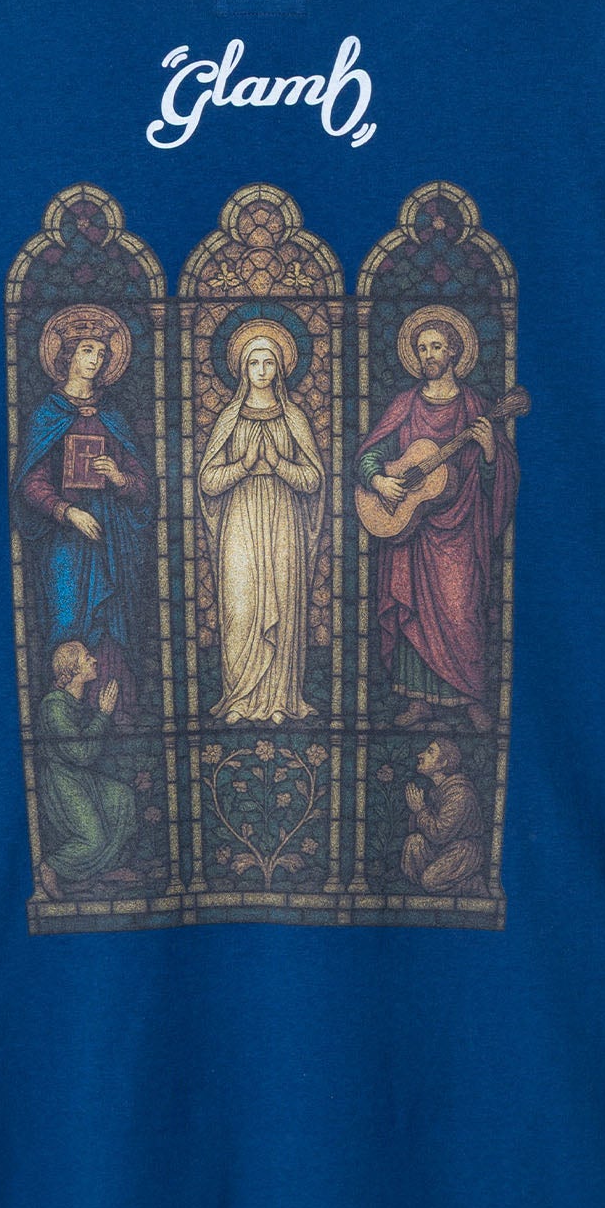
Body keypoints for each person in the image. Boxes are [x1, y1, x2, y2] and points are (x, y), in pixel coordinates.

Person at [357, 306, 519, 734]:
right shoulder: (406, 404)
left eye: (436, 347)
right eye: (422, 348)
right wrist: (380, 481)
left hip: (462, 528)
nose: (429, 354)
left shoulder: (476, 406)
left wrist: (489, 451)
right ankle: (418, 701)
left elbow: (503, 475)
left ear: (454, 352)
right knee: (411, 609)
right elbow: (370, 455)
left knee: (462, 609)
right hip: (412, 530)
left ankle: (471, 696)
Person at [12, 305, 153, 722]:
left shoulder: (112, 416)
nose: (96, 360)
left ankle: (115, 717)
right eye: (88, 351)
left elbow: (143, 486)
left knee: (112, 624)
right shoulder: (48, 415)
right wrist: (68, 511)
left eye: (102, 354)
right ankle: (66, 723)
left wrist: (119, 478)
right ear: (68, 356)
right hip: (66, 539)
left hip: (111, 538)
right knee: (69, 619)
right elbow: (30, 483)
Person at [197, 323, 325, 724]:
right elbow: (207, 481)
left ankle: (281, 699)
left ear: (281, 368)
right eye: (254, 362)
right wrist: (243, 466)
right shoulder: (230, 419)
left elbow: (314, 480)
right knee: (241, 606)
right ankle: (238, 698)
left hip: (283, 519)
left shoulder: (294, 418)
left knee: (284, 605)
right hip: (239, 519)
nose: (262, 369)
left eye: (269, 362)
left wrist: (280, 465)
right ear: (242, 369)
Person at [34, 640, 138, 898]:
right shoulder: (54, 706)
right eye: (87, 657)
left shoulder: (74, 701)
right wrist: (103, 714)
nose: (94, 660)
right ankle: (51, 866)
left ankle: (102, 870)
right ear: (72, 669)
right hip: (62, 781)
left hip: (80, 776)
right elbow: (81, 754)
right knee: (93, 839)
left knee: (122, 798)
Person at [401, 738, 486, 893]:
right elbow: (424, 830)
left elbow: (440, 833)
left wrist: (420, 810)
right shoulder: (437, 790)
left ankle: (473, 886)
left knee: (430, 881)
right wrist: (418, 811)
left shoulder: (459, 794)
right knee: (413, 842)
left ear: (443, 763)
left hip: (463, 852)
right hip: (443, 847)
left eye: (430, 752)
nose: (420, 755)